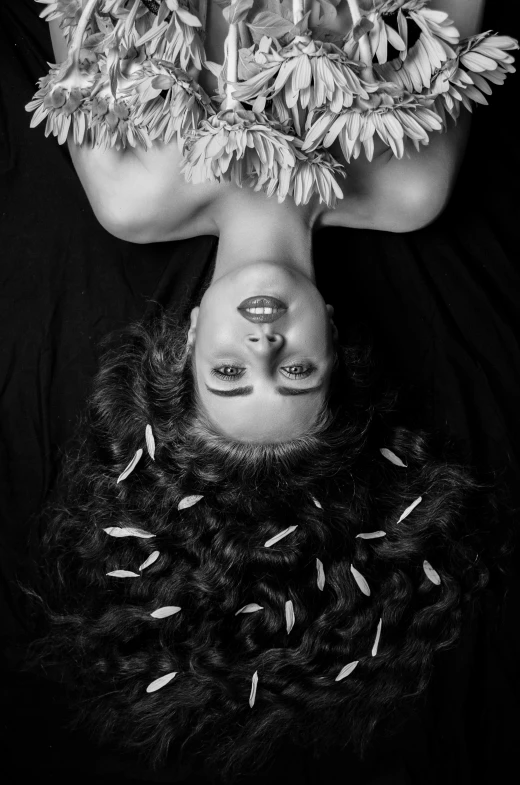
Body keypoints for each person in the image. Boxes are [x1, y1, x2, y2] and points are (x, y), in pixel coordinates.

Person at [15, 1, 517, 783]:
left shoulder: (132, 195)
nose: (263, 344)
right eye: (294, 373)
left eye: (228, 375)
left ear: (183, 346)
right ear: (336, 350)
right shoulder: (410, 178)